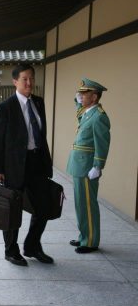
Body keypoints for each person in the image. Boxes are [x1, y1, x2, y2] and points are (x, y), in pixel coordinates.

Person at [0, 63, 54, 266]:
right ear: (15, 81)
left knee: (43, 207)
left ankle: (32, 246)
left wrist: (47, 162)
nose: (29, 83)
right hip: (14, 166)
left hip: (37, 163)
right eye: (25, 79)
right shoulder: (6, 107)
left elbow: (42, 135)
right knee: (12, 210)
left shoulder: (39, 102)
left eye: (32, 78)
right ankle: (11, 250)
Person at [66, 78, 110, 253]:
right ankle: (84, 236)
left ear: (94, 97)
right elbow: (79, 114)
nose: (81, 96)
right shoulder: (88, 112)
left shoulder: (99, 117)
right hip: (79, 165)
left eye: (84, 94)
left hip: (87, 167)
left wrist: (98, 166)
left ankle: (90, 241)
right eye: (80, 93)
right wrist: (77, 102)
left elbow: (103, 143)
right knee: (80, 204)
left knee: (88, 205)